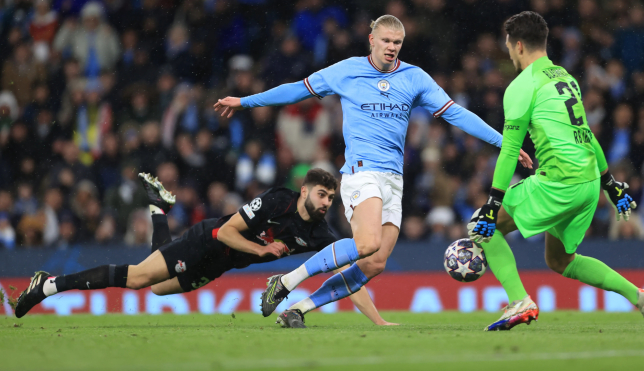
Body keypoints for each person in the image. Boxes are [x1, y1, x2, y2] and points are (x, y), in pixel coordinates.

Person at [214, 15, 532, 327]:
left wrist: (503, 142)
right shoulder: (347, 71)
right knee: (366, 243)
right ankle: (286, 280)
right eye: (386, 41)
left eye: (397, 42)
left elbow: (456, 114)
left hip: (394, 178)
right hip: (361, 172)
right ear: (372, 40)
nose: (391, 47)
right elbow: (298, 89)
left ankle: (299, 309)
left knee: (374, 262)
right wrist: (246, 102)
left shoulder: (415, 78)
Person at [467, 11, 644, 331]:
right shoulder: (565, 77)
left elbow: (509, 149)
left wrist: (493, 203)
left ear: (518, 45)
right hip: (588, 183)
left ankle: (519, 301)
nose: (508, 53)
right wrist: (610, 184)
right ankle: (641, 297)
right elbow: (586, 133)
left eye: (508, 47)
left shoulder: (522, 85)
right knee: (560, 261)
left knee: (480, 226)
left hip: (560, 181)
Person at [14, 169, 394, 326]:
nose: (327, 202)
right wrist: (262, 252)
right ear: (306, 191)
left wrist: (376, 320)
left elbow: (345, 275)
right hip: (206, 241)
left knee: (158, 285)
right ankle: (48, 284)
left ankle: (159, 210)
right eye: (323, 194)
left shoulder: (319, 235)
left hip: (220, 266)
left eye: (332, 197)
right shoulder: (278, 200)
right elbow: (227, 232)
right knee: (136, 279)